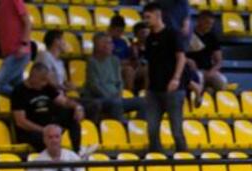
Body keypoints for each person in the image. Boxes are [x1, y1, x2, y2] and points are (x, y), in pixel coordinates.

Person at [142, 2, 187, 153]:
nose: (146, 20)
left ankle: (185, 160)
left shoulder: (173, 33)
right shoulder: (149, 39)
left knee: (176, 131)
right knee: (152, 129)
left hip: (173, 90)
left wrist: (176, 79)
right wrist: (147, 85)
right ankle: (156, 159)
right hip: (154, 90)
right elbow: (149, 63)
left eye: (148, 17)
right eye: (145, 17)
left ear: (157, 15)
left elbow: (181, 57)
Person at [11, 63, 84, 153]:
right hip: (31, 130)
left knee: (72, 114)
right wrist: (44, 130)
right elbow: (21, 121)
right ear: (33, 77)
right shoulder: (19, 91)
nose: (44, 83)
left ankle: (77, 151)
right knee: (41, 137)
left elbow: (64, 101)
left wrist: (77, 107)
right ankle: (55, 157)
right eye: (42, 80)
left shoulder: (46, 87)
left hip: (49, 124)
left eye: (46, 80)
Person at [83, 32, 145, 122]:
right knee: (115, 103)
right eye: (108, 43)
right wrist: (111, 98)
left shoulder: (114, 60)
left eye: (111, 42)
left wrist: (118, 94)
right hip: (100, 99)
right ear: (99, 46)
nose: (112, 45)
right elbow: (94, 86)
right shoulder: (92, 62)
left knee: (144, 101)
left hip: (116, 98)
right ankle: (124, 126)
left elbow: (120, 82)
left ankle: (138, 125)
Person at [18, 124, 89, 171]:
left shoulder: (72, 156)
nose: (54, 140)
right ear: (44, 140)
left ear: (61, 138)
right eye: (50, 137)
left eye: (57, 136)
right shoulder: (39, 160)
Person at [189, 10, 226, 92]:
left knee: (221, 82)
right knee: (199, 78)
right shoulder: (189, 35)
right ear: (199, 21)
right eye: (207, 23)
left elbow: (219, 61)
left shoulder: (212, 37)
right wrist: (188, 61)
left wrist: (212, 71)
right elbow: (181, 55)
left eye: (211, 24)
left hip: (208, 70)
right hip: (193, 70)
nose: (209, 26)